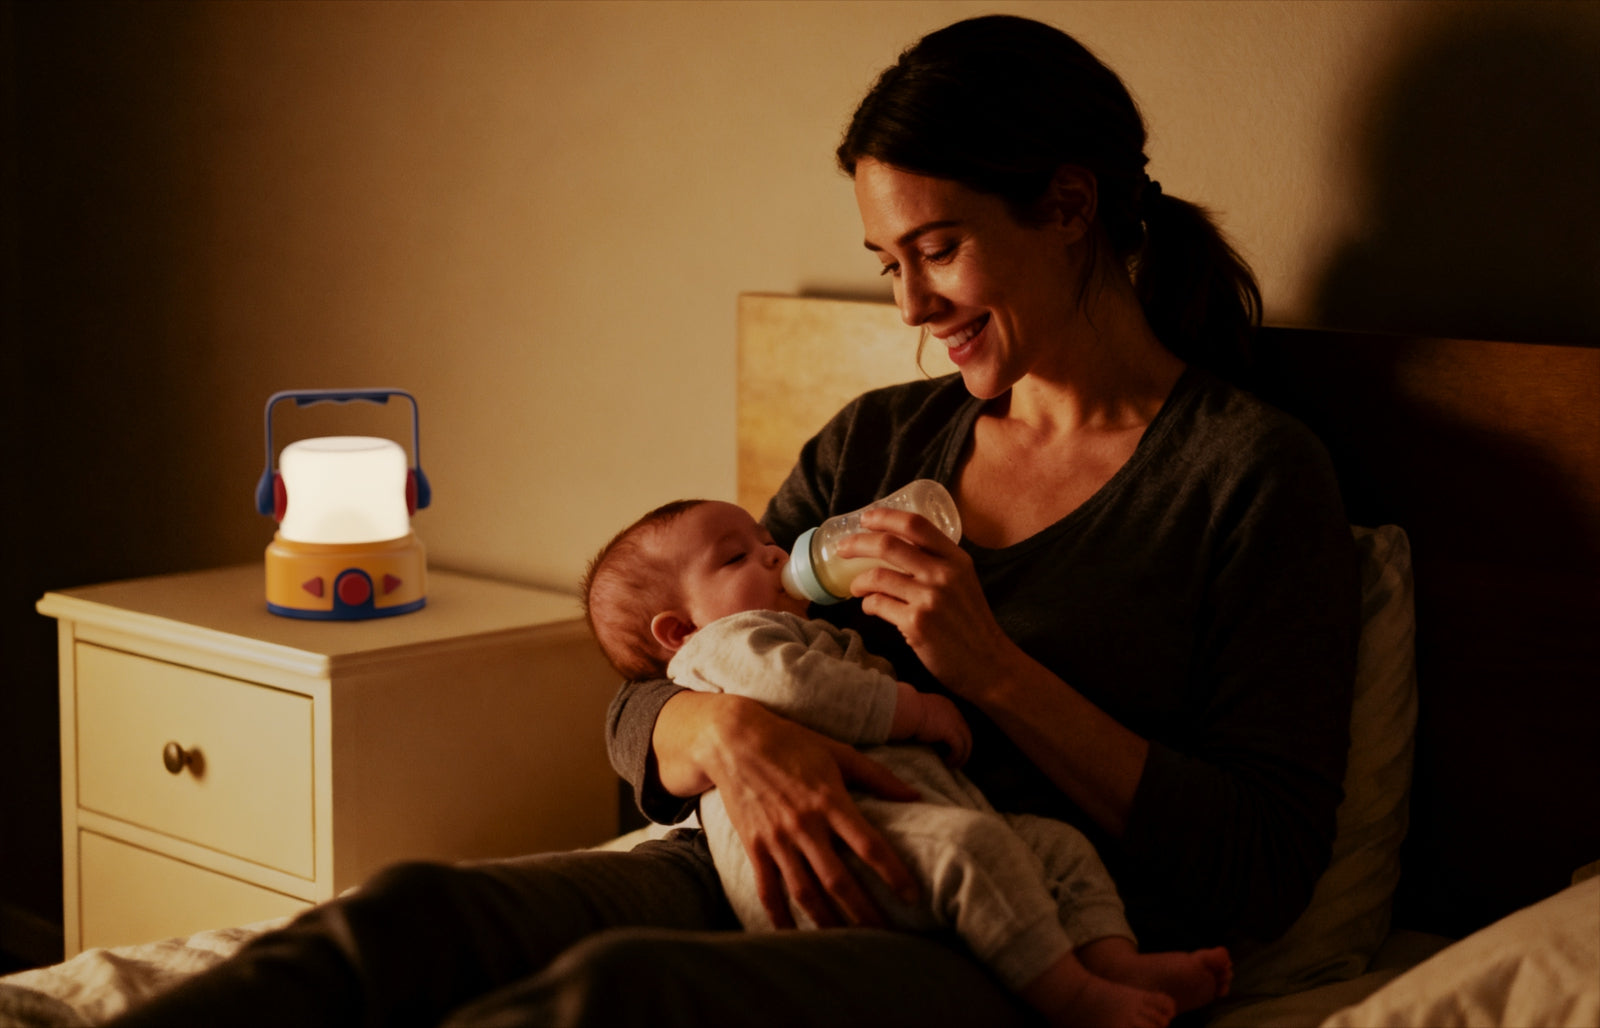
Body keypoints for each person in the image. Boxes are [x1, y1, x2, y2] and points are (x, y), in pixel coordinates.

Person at [107, 14, 1358, 1027]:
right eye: (887, 262)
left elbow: (1259, 859)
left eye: (939, 248)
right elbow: (659, 675)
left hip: (1006, 921)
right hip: (745, 852)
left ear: (1070, 206)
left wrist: (994, 672)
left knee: (619, 998)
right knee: (407, 918)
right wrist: (721, 734)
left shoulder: (1247, 477)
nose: (913, 303)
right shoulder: (876, 442)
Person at [582, 496, 1232, 1027]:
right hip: (835, 856)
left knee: (1056, 846)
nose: (776, 551)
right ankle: (1073, 998)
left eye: (766, 538)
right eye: (737, 556)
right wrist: (912, 711)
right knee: (974, 848)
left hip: (911, 822)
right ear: (677, 632)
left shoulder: (787, 628)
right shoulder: (724, 644)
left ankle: (1108, 959)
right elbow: (796, 689)